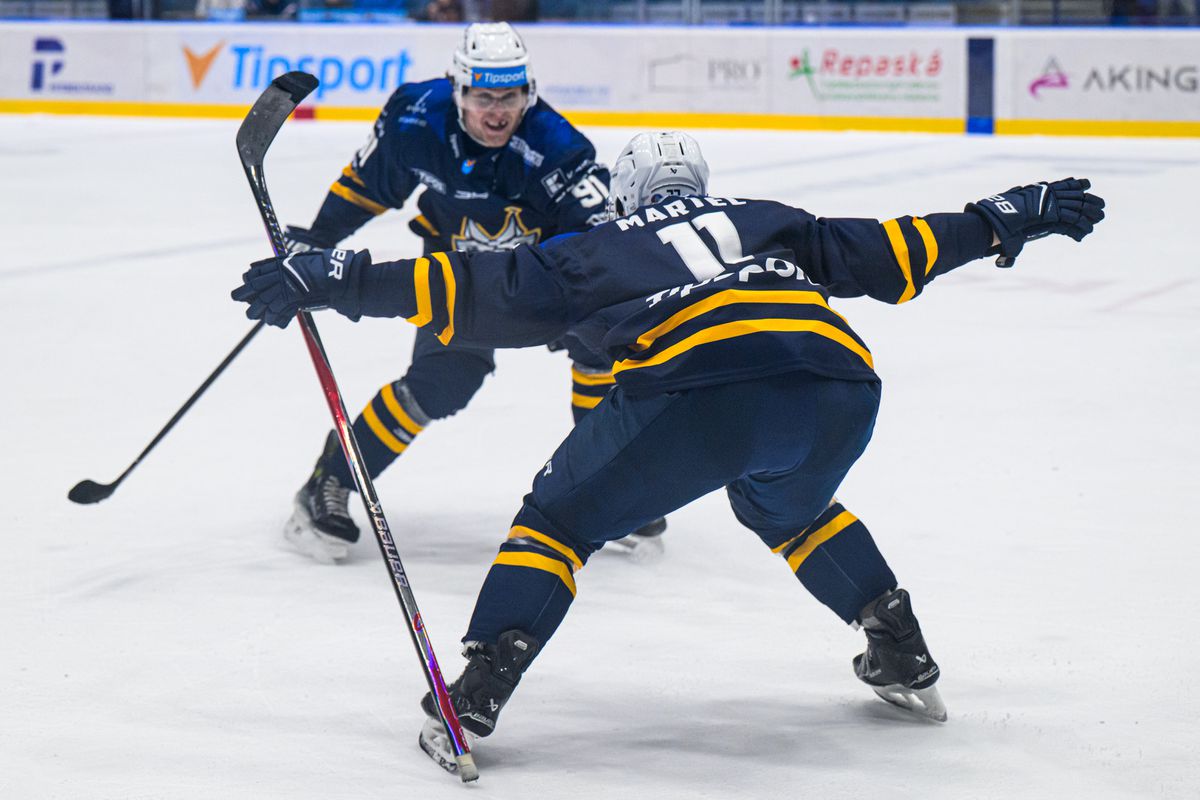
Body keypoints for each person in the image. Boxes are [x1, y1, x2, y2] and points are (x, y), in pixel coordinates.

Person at [232, 132, 1105, 767]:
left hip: (702, 392)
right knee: (786, 505)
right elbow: (890, 252)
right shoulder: (768, 218)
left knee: (558, 519)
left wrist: (338, 281)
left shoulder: (605, 243)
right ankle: (898, 639)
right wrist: (1002, 219)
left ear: (633, 189)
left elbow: (485, 291)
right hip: (837, 387)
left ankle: (483, 685)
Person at [283, 22, 666, 563]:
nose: (496, 112)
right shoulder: (415, 116)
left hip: (544, 272)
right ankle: (331, 479)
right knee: (444, 381)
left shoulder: (556, 147)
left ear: (527, 94)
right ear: (458, 89)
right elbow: (369, 184)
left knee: (601, 347)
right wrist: (316, 245)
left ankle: (606, 491)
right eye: (483, 97)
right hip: (456, 275)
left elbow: (597, 239)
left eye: (509, 97)